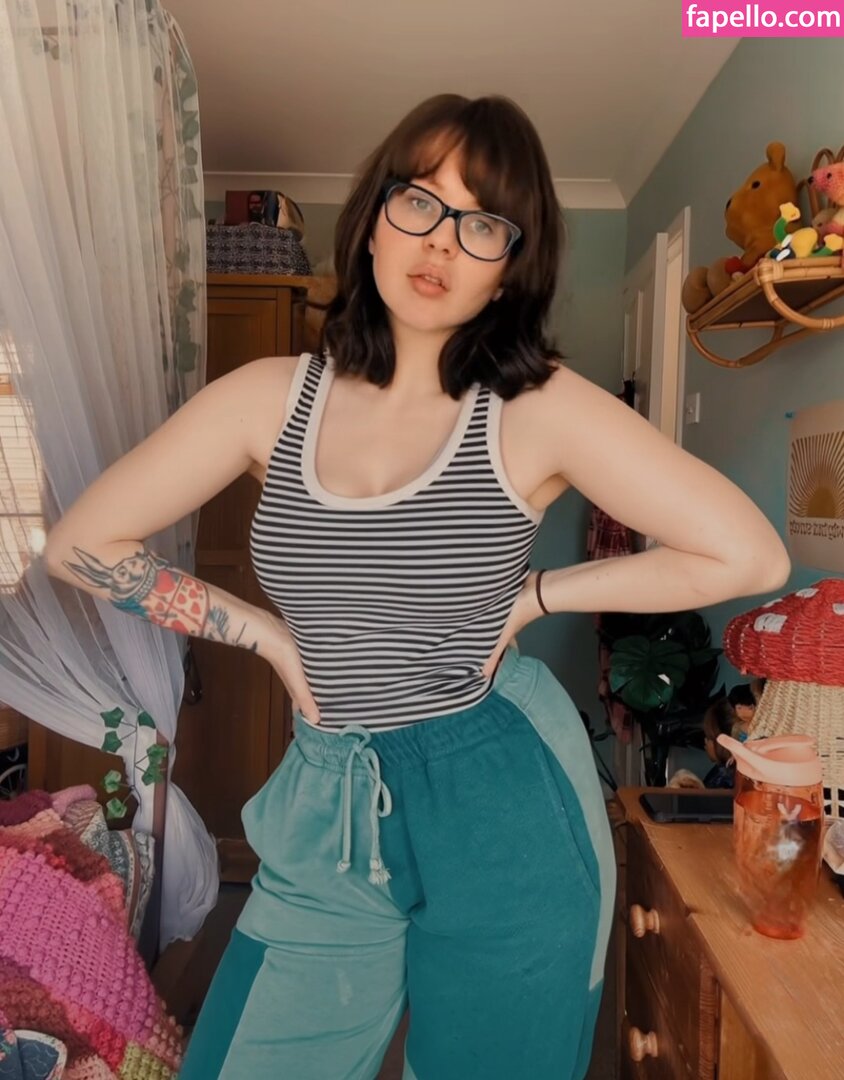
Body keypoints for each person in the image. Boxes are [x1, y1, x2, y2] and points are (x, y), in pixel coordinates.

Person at [44, 93, 791, 1080]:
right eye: (419, 201)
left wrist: (535, 596)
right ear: (373, 219)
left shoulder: (535, 407)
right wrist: (265, 635)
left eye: (483, 223)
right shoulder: (268, 398)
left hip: (502, 792)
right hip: (327, 794)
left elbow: (748, 556)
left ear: (509, 265)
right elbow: (81, 544)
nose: (441, 239)